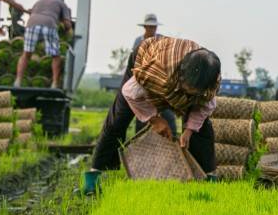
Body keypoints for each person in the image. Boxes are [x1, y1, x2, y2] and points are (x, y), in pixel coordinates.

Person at [83, 36, 221, 195]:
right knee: (118, 118)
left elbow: (205, 106)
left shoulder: (210, 81)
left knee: (201, 127)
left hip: (184, 79)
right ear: (181, 75)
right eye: (187, 89)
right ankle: (93, 179)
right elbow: (130, 92)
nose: (188, 94)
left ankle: (208, 179)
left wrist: (189, 130)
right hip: (144, 59)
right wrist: (154, 119)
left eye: (194, 92)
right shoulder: (158, 70)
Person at [14, 0, 73, 89]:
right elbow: (67, 24)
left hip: (31, 23)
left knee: (26, 54)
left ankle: (18, 81)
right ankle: (54, 83)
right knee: (55, 56)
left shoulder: (39, 1)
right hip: (49, 24)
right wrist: (69, 32)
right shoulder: (61, 3)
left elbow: (32, 12)